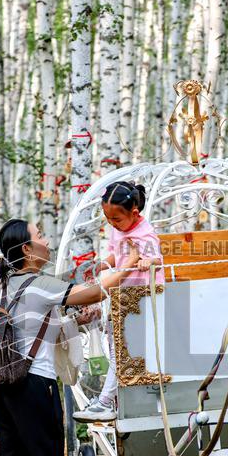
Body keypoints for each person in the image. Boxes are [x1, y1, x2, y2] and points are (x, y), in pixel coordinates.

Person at [0, 218, 139, 456]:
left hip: (3, 387)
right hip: (34, 386)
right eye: (40, 236)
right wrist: (130, 263)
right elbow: (94, 292)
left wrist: (75, 321)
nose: (47, 241)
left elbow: (37, 329)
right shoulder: (40, 283)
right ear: (27, 249)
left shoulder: (9, 286)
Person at [73, 181, 163, 422]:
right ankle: (110, 401)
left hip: (141, 297)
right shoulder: (118, 229)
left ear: (134, 212)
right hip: (121, 296)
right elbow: (117, 254)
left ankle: (105, 402)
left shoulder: (145, 233)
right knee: (116, 350)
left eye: (117, 219)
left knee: (121, 352)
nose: (112, 223)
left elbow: (157, 260)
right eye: (108, 218)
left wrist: (147, 261)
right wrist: (103, 264)